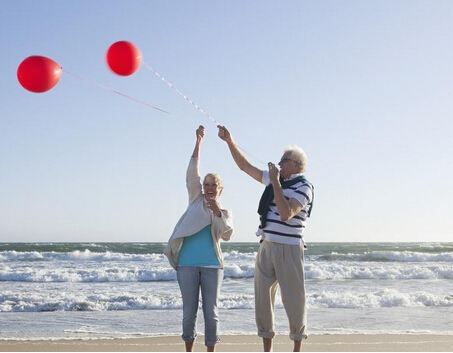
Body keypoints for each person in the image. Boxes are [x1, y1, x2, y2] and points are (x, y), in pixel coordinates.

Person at [217, 125, 313, 352]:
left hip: (289, 247)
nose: (279, 164)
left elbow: (286, 213)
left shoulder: (304, 186)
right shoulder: (274, 180)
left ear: (296, 165)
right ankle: (267, 348)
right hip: (267, 245)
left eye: (284, 160)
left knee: (294, 298)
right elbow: (244, 166)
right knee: (262, 298)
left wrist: (276, 183)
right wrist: (230, 142)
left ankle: (297, 347)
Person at [164, 125, 234, 352]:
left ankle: (211, 350)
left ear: (220, 189)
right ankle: (188, 350)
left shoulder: (224, 212)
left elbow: (227, 234)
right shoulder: (195, 199)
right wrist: (198, 141)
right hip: (187, 264)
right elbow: (192, 172)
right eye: (207, 184)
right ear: (202, 188)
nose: (210, 187)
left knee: (211, 313)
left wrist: (216, 212)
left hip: (213, 266)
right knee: (189, 311)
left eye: (214, 185)